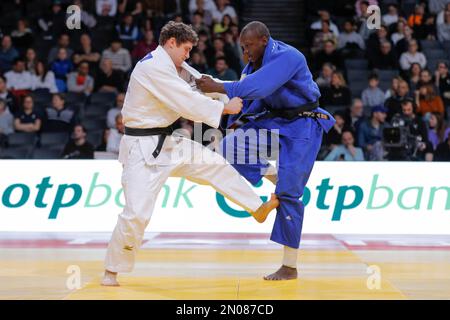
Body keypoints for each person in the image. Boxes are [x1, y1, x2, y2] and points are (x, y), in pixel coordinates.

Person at [102, 21, 280, 286]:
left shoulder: (176, 66)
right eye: (185, 49)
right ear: (171, 42)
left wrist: (238, 88)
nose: (188, 55)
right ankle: (111, 271)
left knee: (213, 164)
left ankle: (257, 208)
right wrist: (224, 109)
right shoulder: (151, 68)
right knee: (137, 214)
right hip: (142, 150)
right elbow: (186, 100)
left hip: (169, 143)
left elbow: (205, 84)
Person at [196, 21, 335, 280]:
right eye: (242, 48)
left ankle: (289, 266)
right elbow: (244, 100)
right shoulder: (251, 66)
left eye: (248, 46)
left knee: (289, 195)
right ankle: (272, 174)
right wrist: (218, 102)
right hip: (275, 121)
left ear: (263, 40)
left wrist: (217, 86)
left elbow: (258, 88)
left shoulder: (289, 56)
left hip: (304, 123)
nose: (244, 53)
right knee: (229, 147)